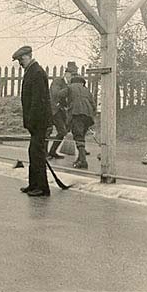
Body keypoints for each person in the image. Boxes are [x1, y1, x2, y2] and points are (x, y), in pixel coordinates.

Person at [12, 46, 53, 197]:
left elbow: (37, 101)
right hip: (36, 121)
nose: (20, 63)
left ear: (27, 57)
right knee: (33, 153)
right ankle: (34, 184)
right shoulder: (32, 71)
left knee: (37, 154)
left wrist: (31, 121)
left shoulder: (36, 72)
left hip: (39, 121)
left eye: (21, 60)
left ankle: (42, 188)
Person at [63, 76, 96, 169]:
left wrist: (66, 105)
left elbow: (60, 95)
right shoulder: (86, 90)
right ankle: (80, 158)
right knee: (82, 137)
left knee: (78, 137)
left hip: (76, 114)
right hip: (88, 116)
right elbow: (93, 104)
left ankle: (83, 161)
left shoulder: (70, 87)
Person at [47, 61, 77, 159]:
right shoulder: (57, 81)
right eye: (71, 75)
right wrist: (68, 89)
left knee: (62, 131)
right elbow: (56, 94)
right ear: (66, 74)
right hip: (54, 109)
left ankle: (52, 152)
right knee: (51, 131)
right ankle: (45, 154)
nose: (72, 77)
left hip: (62, 110)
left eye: (74, 75)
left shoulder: (70, 84)